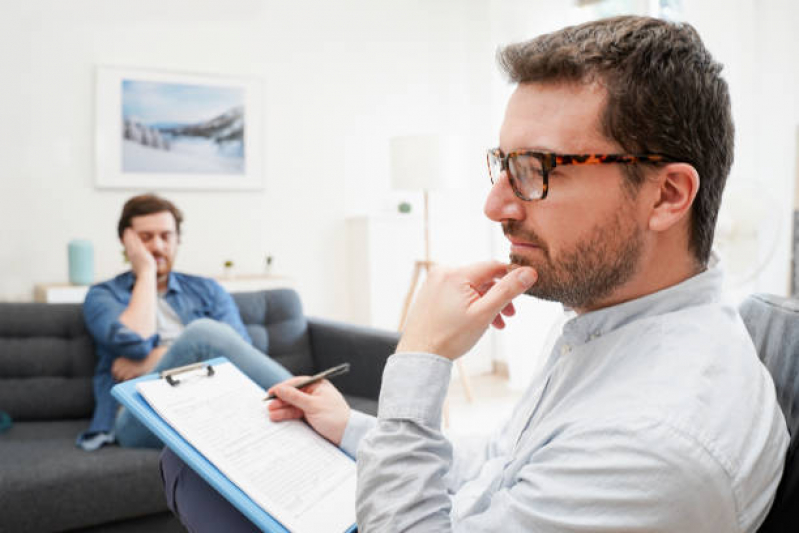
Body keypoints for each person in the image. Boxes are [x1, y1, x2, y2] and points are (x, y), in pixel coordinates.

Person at [160, 16, 789, 532]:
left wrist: (421, 354)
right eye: (504, 163)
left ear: (667, 196)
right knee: (196, 460)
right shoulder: (612, 320)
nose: (496, 205)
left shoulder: (654, 445)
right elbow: (503, 467)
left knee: (191, 476)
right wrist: (349, 426)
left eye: (538, 168)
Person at [77, 194, 291, 451]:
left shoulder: (207, 290)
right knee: (203, 333)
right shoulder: (103, 295)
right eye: (145, 238)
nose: (157, 246)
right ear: (127, 241)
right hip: (139, 417)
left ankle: (310, 410)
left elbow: (237, 353)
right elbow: (134, 344)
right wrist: (146, 271)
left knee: (206, 338)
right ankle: (308, 400)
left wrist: (157, 357)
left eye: (166, 236)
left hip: (211, 406)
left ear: (177, 240)